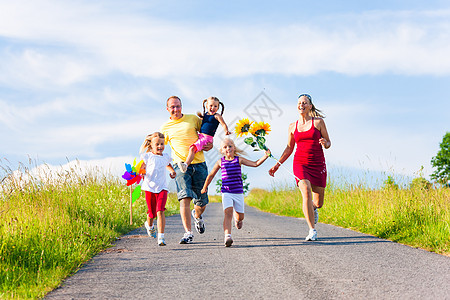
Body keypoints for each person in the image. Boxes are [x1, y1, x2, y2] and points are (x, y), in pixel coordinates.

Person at [268, 93, 331, 241]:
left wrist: (324, 143)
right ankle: (312, 230)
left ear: (310, 106)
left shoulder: (318, 123)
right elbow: (289, 148)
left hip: (317, 164)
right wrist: (277, 165)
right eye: (299, 103)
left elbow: (328, 142)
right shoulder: (292, 126)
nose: (301, 105)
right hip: (300, 163)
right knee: (306, 191)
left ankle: (313, 209)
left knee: (318, 203)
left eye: (304, 103)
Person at [161, 96, 213, 244]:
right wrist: (169, 167)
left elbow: (207, 135)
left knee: (201, 202)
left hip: (199, 164)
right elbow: (160, 152)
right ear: (167, 109)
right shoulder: (165, 127)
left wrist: (210, 145)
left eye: (178, 106)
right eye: (172, 107)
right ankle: (188, 233)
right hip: (180, 165)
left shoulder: (193, 119)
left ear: (181, 106)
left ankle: (197, 216)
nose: (175, 109)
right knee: (184, 197)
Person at [201, 138, 271, 247]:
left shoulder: (239, 160)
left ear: (234, 148)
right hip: (226, 191)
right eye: (225, 147)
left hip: (238, 192)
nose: (228, 148)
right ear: (222, 151)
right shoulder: (220, 162)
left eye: (230, 146)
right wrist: (205, 187)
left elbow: (255, 164)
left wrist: (266, 156)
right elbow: (211, 175)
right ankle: (227, 236)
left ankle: (238, 220)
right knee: (227, 212)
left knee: (240, 217)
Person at [139, 132, 176, 246]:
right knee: (152, 214)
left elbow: (168, 164)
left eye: (162, 144)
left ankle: (161, 237)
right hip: (149, 188)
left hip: (162, 188)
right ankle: (149, 225)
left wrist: (172, 171)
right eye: (157, 144)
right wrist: (142, 171)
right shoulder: (148, 156)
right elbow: (142, 166)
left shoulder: (165, 156)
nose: (160, 146)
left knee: (160, 210)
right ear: (151, 146)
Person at [178, 96, 231, 173]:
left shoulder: (217, 116)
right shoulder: (205, 114)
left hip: (206, 138)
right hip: (201, 136)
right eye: (211, 106)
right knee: (191, 145)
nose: (213, 108)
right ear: (206, 106)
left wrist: (226, 131)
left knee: (192, 149)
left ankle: (185, 165)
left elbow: (223, 124)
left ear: (218, 107)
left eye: (215, 106)